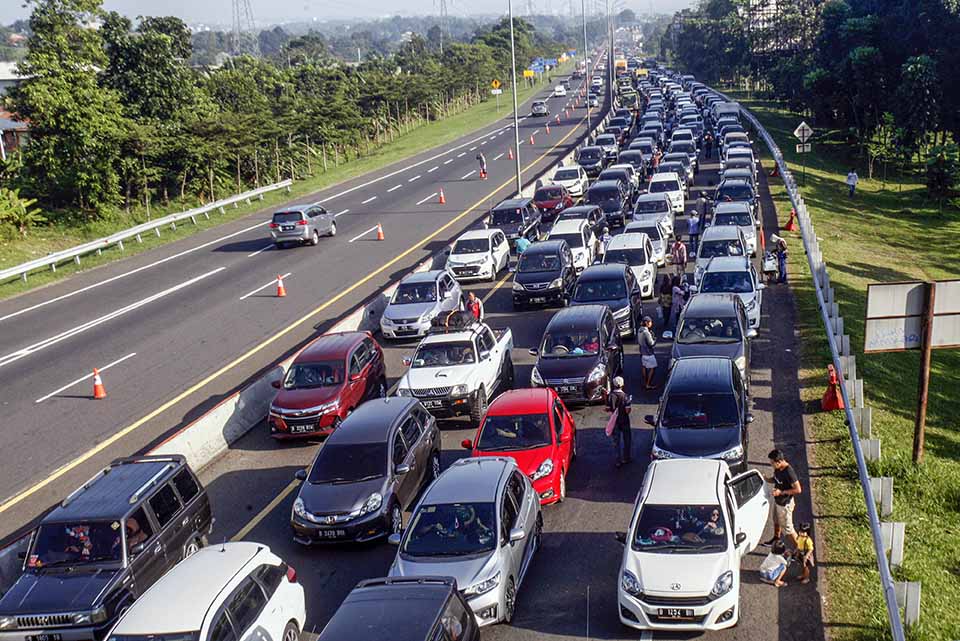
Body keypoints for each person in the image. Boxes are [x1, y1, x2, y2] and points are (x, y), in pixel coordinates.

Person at [764, 449, 803, 547]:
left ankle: (800, 551)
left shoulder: (789, 472)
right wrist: (767, 479)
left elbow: (798, 489)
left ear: (780, 461)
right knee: (776, 520)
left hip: (785, 504)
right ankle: (776, 539)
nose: (771, 465)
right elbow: (776, 479)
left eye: (773, 463)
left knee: (788, 529)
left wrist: (781, 492)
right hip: (778, 501)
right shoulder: (778, 468)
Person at [605, 376, 632, 467]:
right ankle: (626, 458)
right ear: (622, 385)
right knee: (627, 439)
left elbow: (608, 408)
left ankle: (618, 460)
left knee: (616, 441)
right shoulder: (625, 396)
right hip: (624, 420)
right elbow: (627, 410)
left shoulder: (610, 396)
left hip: (615, 421)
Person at [638, 316, 657, 389]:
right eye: (650, 322)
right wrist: (655, 339)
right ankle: (648, 384)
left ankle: (645, 381)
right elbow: (651, 343)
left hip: (642, 352)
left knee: (644, 367)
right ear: (646, 323)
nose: (651, 323)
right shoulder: (646, 332)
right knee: (653, 368)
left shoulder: (640, 330)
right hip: (649, 353)